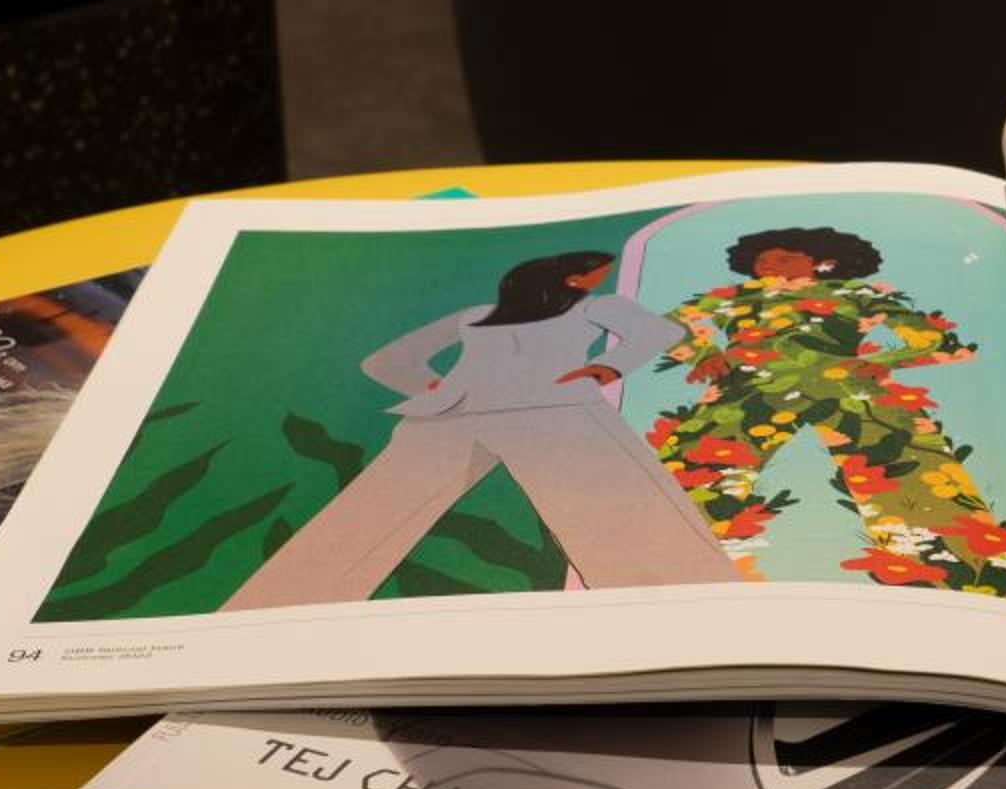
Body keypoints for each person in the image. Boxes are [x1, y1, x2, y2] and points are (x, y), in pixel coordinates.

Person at [221, 250, 743, 611]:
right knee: (625, 519)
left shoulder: (475, 315)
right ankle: (696, 624)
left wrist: (435, 386)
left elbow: (384, 361)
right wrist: (604, 370)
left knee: (361, 521)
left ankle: (261, 617)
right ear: (572, 279)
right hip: (552, 410)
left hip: (450, 414)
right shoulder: (595, 307)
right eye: (593, 276)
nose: (595, 284)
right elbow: (659, 331)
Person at [648, 227, 1006, 604]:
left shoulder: (853, 293)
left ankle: (971, 589)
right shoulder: (736, 295)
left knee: (912, 476)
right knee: (693, 473)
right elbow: (667, 322)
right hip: (748, 386)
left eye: (784, 258)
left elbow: (935, 338)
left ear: (821, 261)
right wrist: (704, 353)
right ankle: (653, 580)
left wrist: (886, 360)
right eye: (761, 260)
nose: (769, 266)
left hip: (848, 384)